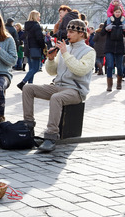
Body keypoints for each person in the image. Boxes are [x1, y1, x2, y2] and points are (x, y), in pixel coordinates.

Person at [22, 19, 96, 152]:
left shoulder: (89, 51)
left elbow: (79, 70)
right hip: (57, 86)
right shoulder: (65, 48)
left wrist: (65, 54)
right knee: (28, 88)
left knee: (56, 98)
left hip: (76, 90)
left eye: (72, 31)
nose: (68, 34)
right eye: (68, 31)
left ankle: (51, 137)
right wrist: (50, 59)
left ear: (81, 34)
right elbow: (52, 72)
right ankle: (28, 126)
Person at [100, 5, 125, 91]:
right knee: (110, 66)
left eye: (119, 12)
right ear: (113, 12)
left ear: (121, 13)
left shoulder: (123, 22)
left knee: (120, 67)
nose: (117, 13)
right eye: (116, 12)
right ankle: (109, 85)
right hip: (109, 47)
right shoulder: (108, 21)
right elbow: (102, 33)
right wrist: (106, 29)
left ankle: (119, 83)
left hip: (119, 48)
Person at [17, 10, 46, 90]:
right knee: (36, 68)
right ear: (35, 17)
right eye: (38, 16)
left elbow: (22, 37)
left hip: (28, 49)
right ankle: (22, 83)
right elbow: (39, 38)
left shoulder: (27, 26)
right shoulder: (36, 26)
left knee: (31, 69)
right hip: (35, 49)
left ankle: (30, 86)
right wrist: (43, 46)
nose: (39, 18)